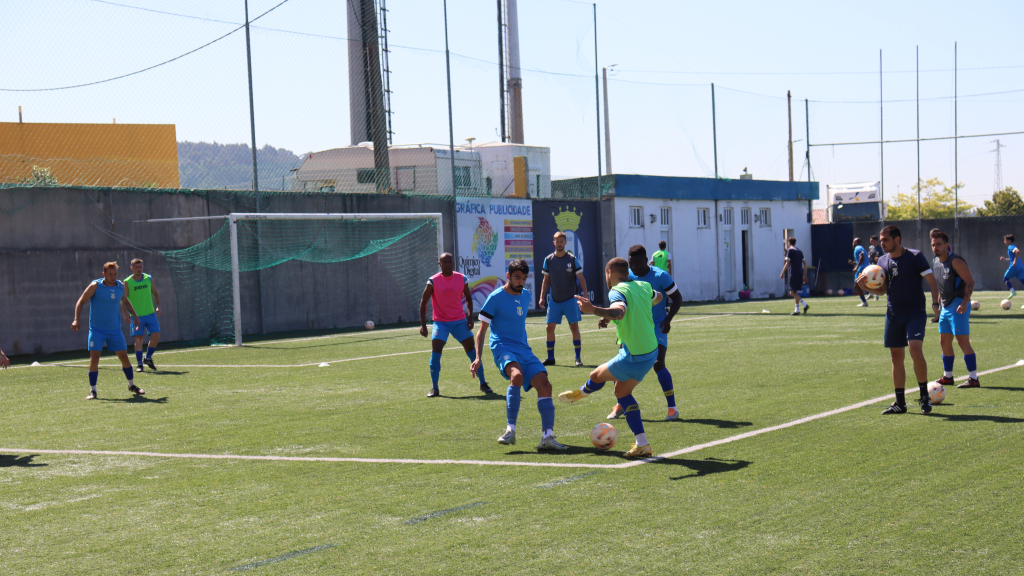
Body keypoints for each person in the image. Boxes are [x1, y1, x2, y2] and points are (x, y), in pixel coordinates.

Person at [558, 257, 664, 458]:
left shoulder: (617, 290)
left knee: (596, 375)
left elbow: (620, 312)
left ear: (609, 273)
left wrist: (594, 310)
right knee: (622, 392)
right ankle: (643, 444)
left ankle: (581, 393)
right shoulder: (643, 285)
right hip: (651, 351)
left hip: (634, 354)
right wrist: (614, 315)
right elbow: (657, 297)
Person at [470, 259, 567, 451]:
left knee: (545, 384)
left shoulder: (526, 295)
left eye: (523, 278)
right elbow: (481, 331)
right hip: (502, 346)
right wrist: (478, 357)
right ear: (508, 276)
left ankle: (547, 437)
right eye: (517, 278)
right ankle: (510, 430)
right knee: (517, 375)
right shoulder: (495, 297)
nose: (520, 282)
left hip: (524, 349)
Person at [857, 225, 940, 415]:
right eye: (881, 239)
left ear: (897, 239)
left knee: (915, 349)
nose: (882, 243)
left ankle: (924, 397)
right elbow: (884, 289)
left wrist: (935, 304)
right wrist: (865, 287)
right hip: (893, 313)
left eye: (886, 240)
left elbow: (932, 281)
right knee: (896, 357)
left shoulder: (915, 256)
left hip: (915, 312)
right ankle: (900, 403)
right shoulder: (882, 261)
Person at [606, 245, 683, 421]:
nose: (634, 268)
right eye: (631, 264)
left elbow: (677, 298)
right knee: (622, 364)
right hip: (635, 328)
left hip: (657, 326)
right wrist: (608, 317)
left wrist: (668, 319)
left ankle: (672, 408)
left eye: (638, 263)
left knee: (658, 363)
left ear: (646, 260)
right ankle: (620, 404)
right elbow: (620, 302)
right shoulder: (628, 277)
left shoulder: (660, 276)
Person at [419, 253, 491, 398]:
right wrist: (423, 325)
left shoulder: (461, 278)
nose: (447, 264)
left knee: (473, 352)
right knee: (436, 350)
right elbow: (423, 302)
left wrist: (470, 318)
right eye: (444, 262)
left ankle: (483, 383)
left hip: (459, 322)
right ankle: (435, 388)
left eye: (450, 261)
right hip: (440, 323)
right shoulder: (432, 281)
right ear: (439, 264)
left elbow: (469, 298)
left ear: (453, 263)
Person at [72, 262, 145, 400]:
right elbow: (81, 301)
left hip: (114, 330)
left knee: (124, 357)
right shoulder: (95, 286)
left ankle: (132, 385)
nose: (113, 277)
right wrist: (76, 319)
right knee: (94, 359)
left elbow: (126, 302)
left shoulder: (120, 286)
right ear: (104, 274)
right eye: (110, 274)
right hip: (97, 330)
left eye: (115, 274)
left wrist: (135, 316)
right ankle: (93, 391)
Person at [929, 229, 980, 389]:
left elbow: (970, 281)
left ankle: (973, 378)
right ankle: (948, 376)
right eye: (933, 245)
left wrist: (965, 303)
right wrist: (937, 305)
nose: (935, 247)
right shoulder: (936, 262)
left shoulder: (955, 261)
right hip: (945, 307)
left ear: (946, 245)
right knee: (944, 341)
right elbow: (941, 287)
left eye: (938, 244)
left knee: (962, 341)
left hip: (958, 305)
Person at [538, 231, 587, 367]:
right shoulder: (548, 259)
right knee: (549, 327)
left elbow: (581, 278)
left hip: (570, 299)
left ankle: (577, 358)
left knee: (574, 327)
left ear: (565, 243)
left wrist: (586, 295)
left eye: (561, 241)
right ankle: (551, 358)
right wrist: (542, 297)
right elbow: (546, 280)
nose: (559, 244)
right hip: (554, 300)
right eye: (557, 241)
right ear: (554, 243)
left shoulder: (572, 259)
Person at [123, 258, 161, 372]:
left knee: (156, 335)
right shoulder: (127, 282)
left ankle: (148, 357)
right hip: (136, 316)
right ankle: (139, 364)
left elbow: (155, 293)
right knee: (138, 339)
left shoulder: (148, 278)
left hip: (150, 314)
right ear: (132, 268)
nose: (139, 269)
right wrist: (126, 314)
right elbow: (123, 300)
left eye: (140, 267)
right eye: (136, 267)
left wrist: (158, 306)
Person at [780, 238, 809, 316]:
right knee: (795, 291)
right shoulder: (799, 251)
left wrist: (782, 272)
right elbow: (805, 264)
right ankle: (797, 310)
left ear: (789, 243)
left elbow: (787, 263)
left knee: (792, 292)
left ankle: (805, 305)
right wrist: (805, 274)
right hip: (800, 273)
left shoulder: (790, 251)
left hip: (794, 273)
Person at [1000, 234, 1024, 303]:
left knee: (1005, 279)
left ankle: (1013, 291)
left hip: (1014, 267)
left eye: (1005, 240)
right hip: (1020, 267)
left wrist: (1014, 261)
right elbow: (1012, 258)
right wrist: (1005, 259)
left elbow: (1018, 251)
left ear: (1009, 241)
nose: (1004, 241)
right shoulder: (1012, 247)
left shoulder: (1011, 246)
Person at [849, 238, 870, 307]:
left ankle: (864, 302)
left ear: (855, 242)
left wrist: (856, 267)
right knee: (863, 284)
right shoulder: (861, 247)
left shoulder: (857, 248)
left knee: (856, 285)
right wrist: (854, 263)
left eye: (853, 242)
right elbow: (862, 259)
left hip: (862, 268)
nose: (852, 244)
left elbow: (862, 257)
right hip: (866, 267)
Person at [867, 235, 882, 300]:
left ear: (876, 241)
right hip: (871, 266)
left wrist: (879, 258)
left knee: (877, 280)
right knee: (870, 280)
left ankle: (877, 295)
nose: (870, 241)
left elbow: (884, 255)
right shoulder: (871, 248)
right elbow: (869, 254)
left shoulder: (880, 248)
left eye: (872, 240)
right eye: (870, 240)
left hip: (877, 266)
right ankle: (871, 294)